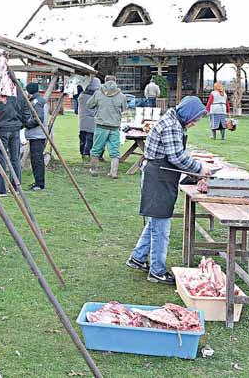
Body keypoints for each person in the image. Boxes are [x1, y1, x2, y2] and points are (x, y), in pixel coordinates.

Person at [126, 96, 210, 284]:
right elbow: (177, 157)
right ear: (188, 115)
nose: (195, 123)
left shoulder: (174, 121)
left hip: (160, 175)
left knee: (157, 221)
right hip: (158, 177)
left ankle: (138, 258)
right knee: (161, 228)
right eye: (195, 119)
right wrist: (199, 169)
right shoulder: (172, 125)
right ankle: (157, 271)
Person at [0, 89, 32, 195]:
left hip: (1, 128)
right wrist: (20, 124)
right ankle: (15, 187)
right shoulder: (20, 93)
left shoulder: (1, 91)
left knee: (0, 159)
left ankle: (2, 189)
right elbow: (26, 114)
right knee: (15, 159)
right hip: (15, 129)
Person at [87, 75, 128, 179]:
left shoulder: (98, 93)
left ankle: (94, 170)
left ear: (104, 82)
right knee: (115, 151)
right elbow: (125, 110)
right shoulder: (121, 96)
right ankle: (113, 172)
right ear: (115, 82)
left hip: (101, 126)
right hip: (114, 127)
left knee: (96, 149)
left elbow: (89, 105)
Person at [25, 83, 48, 191]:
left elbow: (38, 119)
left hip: (37, 135)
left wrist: (26, 123)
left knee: (37, 160)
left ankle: (40, 184)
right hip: (37, 135)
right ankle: (37, 182)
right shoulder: (39, 99)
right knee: (35, 159)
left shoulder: (36, 102)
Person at [78, 78, 100, 166]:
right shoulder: (95, 97)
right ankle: (87, 154)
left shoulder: (82, 95)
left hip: (82, 120)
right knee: (90, 138)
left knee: (83, 137)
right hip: (92, 120)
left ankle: (82, 153)